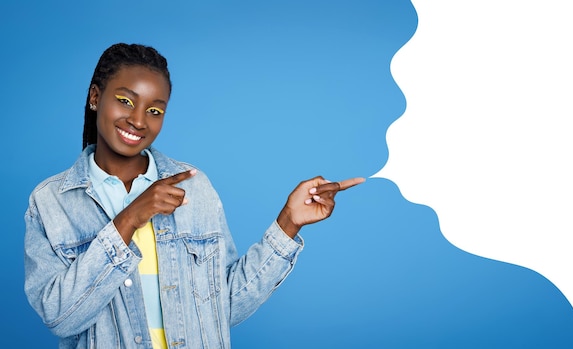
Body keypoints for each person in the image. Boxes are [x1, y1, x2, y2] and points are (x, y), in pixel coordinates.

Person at [23, 42, 364, 349]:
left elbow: (223, 306)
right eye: (125, 101)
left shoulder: (194, 188)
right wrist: (128, 219)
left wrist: (289, 223)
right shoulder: (51, 202)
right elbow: (61, 318)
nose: (139, 120)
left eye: (155, 111)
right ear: (96, 97)